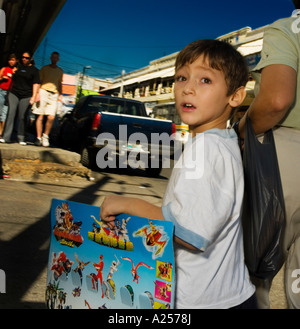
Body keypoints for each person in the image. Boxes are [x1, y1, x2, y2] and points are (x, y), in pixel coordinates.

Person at [100, 39, 256, 309]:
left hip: (204, 302)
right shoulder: (221, 142)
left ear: (236, 96)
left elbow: (187, 232)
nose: (188, 88)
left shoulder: (207, 148)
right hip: (228, 295)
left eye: (205, 80)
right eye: (181, 78)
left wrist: (127, 203)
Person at [237, 1, 300, 309]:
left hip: (283, 160)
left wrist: (241, 129)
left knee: (253, 271)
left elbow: (276, 100)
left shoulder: (287, 29)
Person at [0, 52, 40, 145]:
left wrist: (34, 96)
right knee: (10, 113)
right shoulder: (18, 68)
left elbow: (36, 83)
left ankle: (21, 137)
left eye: (26, 58)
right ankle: (6, 137)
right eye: (23, 57)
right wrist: (13, 73)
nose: (24, 59)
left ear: (31, 59)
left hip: (26, 95)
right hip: (14, 93)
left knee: (22, 116)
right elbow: (12, 79)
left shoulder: (34, 70)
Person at [32, 51, 63, 147]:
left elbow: (59, 83)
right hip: (43, 92)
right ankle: (38, 138)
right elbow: (38, 81)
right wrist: (37, 93)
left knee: (51, 117)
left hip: (54, 95)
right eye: (53, 57)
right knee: (40, 117)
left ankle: (45, 136)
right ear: (51, 58)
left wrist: (60, 95)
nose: (54, 59)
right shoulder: (44, 68)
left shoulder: (60, 71)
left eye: (56, 57)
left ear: (58, 59)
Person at [0, 54, 17, 137]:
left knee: (5, 113)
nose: (11, 62)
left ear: (16, 61)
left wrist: (14, 74)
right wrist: (2, 78)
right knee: (0, 111)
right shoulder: (4, 69)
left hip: (10, 93)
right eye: (10, 60)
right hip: (1, 91)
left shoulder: (16, 70)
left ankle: (1, 132)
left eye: (13, 60)